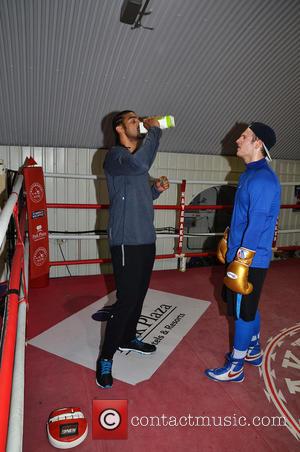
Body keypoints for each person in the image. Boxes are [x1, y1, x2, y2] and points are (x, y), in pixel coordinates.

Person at [96, 110, 169, 388]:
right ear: (118, 128)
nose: (137, 121)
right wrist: (155, 130)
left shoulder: (135, 161)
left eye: (139, 119)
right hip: (126, 240)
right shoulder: (116, 156)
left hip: (145, 239)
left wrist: (156, 190)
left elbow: (140, 189)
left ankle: (128, 339)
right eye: (131, 119)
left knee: (138, 296)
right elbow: (139, 167)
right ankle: (105, 357)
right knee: (126, 300)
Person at [205, 122, 281, 382]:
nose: (238, 139)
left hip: (248, 260)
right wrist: (229, 236)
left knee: (242, 313)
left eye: (244, 136)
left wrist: (241, 261)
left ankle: (235, 367)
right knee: (249, 306)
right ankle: (252, 350)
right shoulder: (250, 174)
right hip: (243, 254)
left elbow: (258, 224)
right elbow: (245, 216)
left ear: (258, 143)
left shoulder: (262, 179)